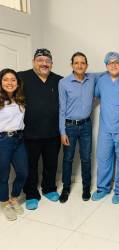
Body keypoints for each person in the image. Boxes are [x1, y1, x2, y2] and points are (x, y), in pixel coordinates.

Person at [18, 48, 63, 210]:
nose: (44, 63)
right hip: (30, 133)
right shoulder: (21, 77)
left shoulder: (59, 80)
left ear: (52, 64)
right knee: (30, 165)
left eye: (47, 61)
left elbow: (81, 80)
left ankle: (49, 188)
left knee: (51, 163)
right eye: (40, 60)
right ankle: (31, 193)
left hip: (53, 132)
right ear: (33, 62)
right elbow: (4, 81)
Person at [91, 52, 119, 204]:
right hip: (105, 128)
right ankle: (102, 188)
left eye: (117, 62)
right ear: (106, 66)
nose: (114, 65)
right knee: (103, 158)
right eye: (110, 63)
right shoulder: (101, 81)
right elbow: (98, 96)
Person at [58, 52, 96, 203]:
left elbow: (109, 72)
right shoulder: (64, 83)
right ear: (71, 65)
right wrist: (62, 132)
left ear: (86, 65)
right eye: (76, 63)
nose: (79, 65)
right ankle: (66, 188)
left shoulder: (92, 79)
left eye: (82, 63)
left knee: (86, 158)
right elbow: (62, 109)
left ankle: (86, 187)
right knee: (68, 158)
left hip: (86, 125)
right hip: (70, 127)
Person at [0, 68, 28, 221]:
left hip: (19, 139)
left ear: (17, 83)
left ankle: (14, 199)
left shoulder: (20, 99)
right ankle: (4, 204)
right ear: (0, 82)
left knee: (23, 172)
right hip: (3, 140)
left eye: (13, 80)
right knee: (3, 176)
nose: (9, 82)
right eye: (5, 79)